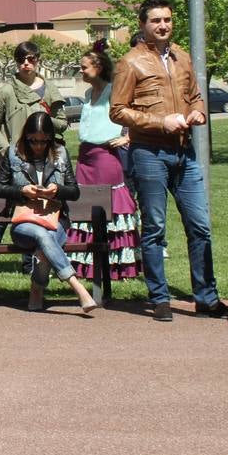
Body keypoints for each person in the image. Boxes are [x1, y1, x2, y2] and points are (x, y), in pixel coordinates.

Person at [110, 0, 228, 322]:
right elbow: (117, 111)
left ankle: (207, 298)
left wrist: (198, 112)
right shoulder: (130, 62)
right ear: (143, 25)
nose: (163, 26)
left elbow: (195, 96)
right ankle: (160, 298)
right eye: (156, 21)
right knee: (155, 229)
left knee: (200, 227)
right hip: (149, 152)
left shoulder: (182, 57)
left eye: (167, 20)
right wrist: (159, 121)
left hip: (184, 151)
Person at [0, 112, 97, 313]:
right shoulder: (14, 153)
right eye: (33, 141)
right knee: (41, 234)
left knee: (45, 239)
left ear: (50, 138)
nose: (38, 146)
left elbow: (74, 192)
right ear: (25, 137)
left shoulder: (61, 153)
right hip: (24, 223)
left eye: (43, 141)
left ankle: (36, 289)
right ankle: (78, 287)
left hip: (56, 220)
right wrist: (21, 191)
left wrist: (57, 191)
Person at [0, 40, 73, 273]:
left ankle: (30, 263)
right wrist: (5, 148)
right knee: (3, 212)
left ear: (38, 60)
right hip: (15, 161)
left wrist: (42, 120)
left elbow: (63, 123)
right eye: (21, 60)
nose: (26, 64)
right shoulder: (6, 91)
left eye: (31, 59)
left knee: (37, 211)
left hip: (45, 159)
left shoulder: (50, 89)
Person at [65, 42, 141, 281]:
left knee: (111, 207)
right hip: (85, 158)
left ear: (98, 67)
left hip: (106, 157)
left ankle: (118, 266)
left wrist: (128, 136)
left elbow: (136, 113)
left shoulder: (114, 91)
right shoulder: (88, 94)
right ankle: (84, 265)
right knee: (84, 206)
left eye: (84, 67)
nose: (81, 71)